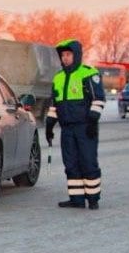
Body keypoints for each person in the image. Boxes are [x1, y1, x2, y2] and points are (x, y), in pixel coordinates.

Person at [44, 39, 105, 208]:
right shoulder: (58, 78)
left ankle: (93, 200)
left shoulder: (88, 73)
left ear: (76, 55)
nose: (65, 58)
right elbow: (55, 104)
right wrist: (50, 124)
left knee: (88, 162)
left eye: (68, 55)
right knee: (70, 164)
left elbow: (99, 99)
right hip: (67, 129)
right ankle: (77, 199)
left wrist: (93, 120)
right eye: (63, 55)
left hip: (85, 128)